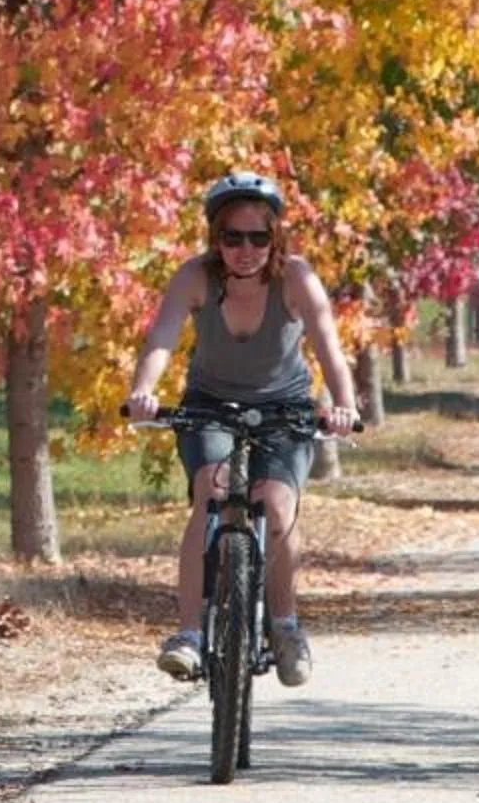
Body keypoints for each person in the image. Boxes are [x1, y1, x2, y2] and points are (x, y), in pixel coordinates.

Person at [126, 171, 363, 687]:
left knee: (276, 503)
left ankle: (285, 627)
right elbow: (161, 341)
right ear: (216, 238)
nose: (246, 249)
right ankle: (188, 634)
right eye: (233, 237)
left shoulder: (297, 279)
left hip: (285, 407)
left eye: (259, 237)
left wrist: (344, 405)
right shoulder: (195, 278)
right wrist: (144, 391)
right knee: (210, 492)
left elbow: (329, 347)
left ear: (275, 237)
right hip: (210, 403)